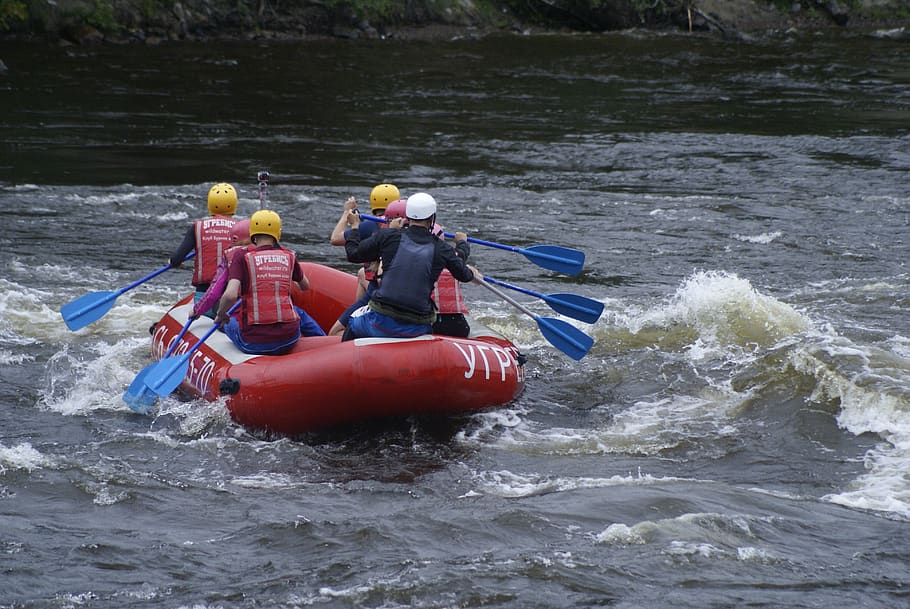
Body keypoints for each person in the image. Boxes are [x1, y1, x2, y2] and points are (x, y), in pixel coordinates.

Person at [342, 192, 479, 340]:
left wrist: (355, 227)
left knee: (353, 320)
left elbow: (353, 254)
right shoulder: (442, 248)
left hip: (380, 321)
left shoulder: (388, 236)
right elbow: (463, 274)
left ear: (407, 215)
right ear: (432, 218)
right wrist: (462, 244)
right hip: (418, 327)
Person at [215, 209, 325, 355]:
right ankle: (324, 341)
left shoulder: (241, 256)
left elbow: (230, 295)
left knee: (227, 323)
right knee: (298, 312)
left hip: (253, 342)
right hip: (289, 338)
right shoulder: (289, 255)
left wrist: (221, 314)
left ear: (252, 233)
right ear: (278, 233)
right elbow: (305, 286)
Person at [169, 182, 238, 306]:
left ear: (210, 205)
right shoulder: (241, 229)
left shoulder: (197, 227)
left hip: (203, 296)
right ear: (234, 204)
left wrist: (174, 262)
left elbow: (176, 259)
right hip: (231, 296)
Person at [190, 219, 252, 320]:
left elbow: (213, 293)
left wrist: (196, 311)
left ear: (235, 238)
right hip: (268, 318)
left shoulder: (230, 256)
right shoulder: (281, 256)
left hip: (237, 316)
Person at [429, 224, 472, 338]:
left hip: (432, 322)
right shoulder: (451, 256)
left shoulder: (418, 257)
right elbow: (462, 252)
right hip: (458, 323)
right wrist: (462, 241)